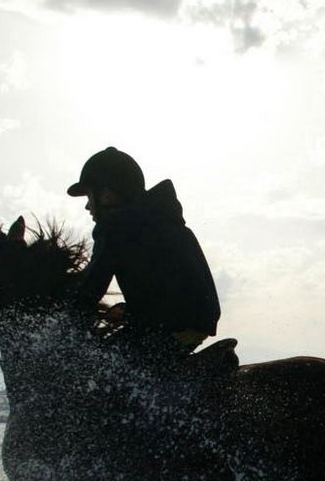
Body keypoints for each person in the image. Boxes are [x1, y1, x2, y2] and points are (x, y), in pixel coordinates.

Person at [67, 146, 221, 375]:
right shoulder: (163, 218)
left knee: (93, 370)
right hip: (194, 324)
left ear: (107, 194)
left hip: (166, 329)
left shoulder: (113, 226)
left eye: (90, 196)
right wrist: (129, 312)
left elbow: (89, 290)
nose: (88, 206)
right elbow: (167, 287)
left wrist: (61, 324)